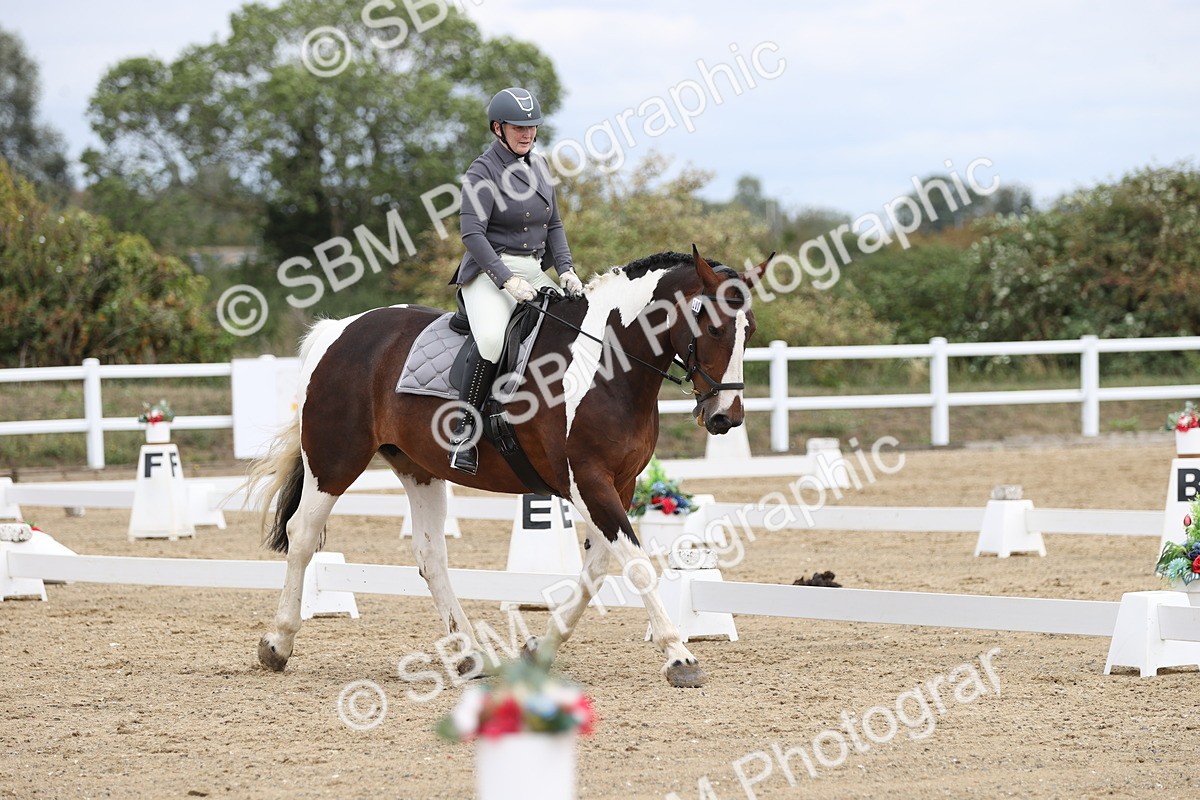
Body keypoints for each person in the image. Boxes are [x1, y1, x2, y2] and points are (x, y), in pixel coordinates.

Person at [447, 87, 584, 474]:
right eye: (518, 127)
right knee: (491, 339)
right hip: (489, 271)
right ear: (498, 128)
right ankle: (464, 431)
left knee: (574, 329)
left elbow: (554, 224)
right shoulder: (481, 172)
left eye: (532, 127)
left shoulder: (540, 167)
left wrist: (567, 269)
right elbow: (472, 235)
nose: (527, 134)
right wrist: (506, 281)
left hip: (534, 269)